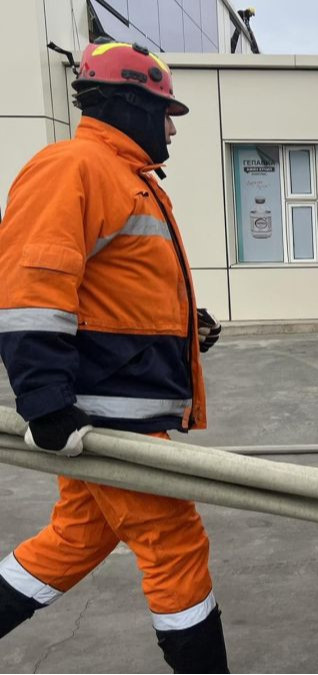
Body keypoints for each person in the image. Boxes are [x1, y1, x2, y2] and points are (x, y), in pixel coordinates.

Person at [0, 41, 226, 671]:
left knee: (74, 539)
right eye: (165, 111)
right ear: (130, 105)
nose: (173, 127)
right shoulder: (75, 167)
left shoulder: (125, 180)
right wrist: (44, 401)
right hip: (108, 418)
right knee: (175, 545)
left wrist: (186, 326)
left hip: (115, 413)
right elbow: (31, 290)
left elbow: (116, 290)